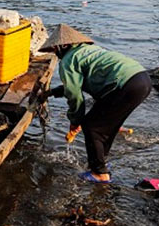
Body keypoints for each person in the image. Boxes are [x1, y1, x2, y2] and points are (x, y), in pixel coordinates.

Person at [39, 24, 151, 183]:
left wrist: (75, 121)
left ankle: (99, 173)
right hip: (141, 79)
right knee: (106, 127)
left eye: (55, 50)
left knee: (92, 126)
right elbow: (77, 84)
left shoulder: (68, 60)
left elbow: (74, 95)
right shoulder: (87, 51)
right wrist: (52, 92)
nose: (56, 55)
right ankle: (101, 163)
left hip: (124, 85)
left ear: (62, 46)